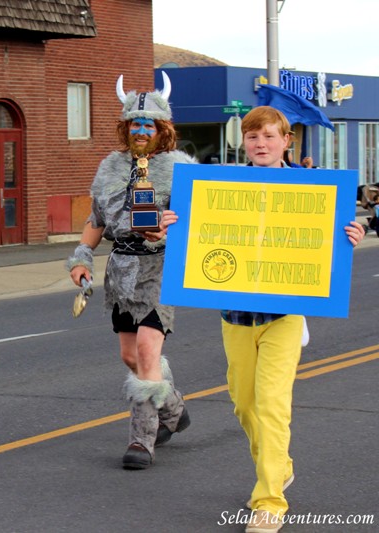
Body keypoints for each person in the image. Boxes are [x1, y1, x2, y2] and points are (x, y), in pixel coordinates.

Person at [161, 106, 364, 532]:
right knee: (244, 403)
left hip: (284, 318)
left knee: (272, 405)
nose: (261, 144)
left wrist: (353, 235)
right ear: (244, 141)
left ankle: (269, 500)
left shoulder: (313, 188)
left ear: (286, 141)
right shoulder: (220, 186)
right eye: (254, 137)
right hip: (235, 317)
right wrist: (172, 225)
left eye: (270, 137)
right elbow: (196, 235)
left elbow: (333, 236)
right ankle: (280, 464)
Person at [66, 73, 194, 470]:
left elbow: (203, 222)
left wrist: (168, 226)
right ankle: (172, 409)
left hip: (160, 268)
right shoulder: (109, 167)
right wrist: (82, 257)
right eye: (135, 124)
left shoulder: (182, 169)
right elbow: (97, 220)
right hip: (120, 271)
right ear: (126, 127)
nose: (141, 130)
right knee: (129, 356)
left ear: (162, 129)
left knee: (146, 351)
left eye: (149, 124)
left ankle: (142, 441)